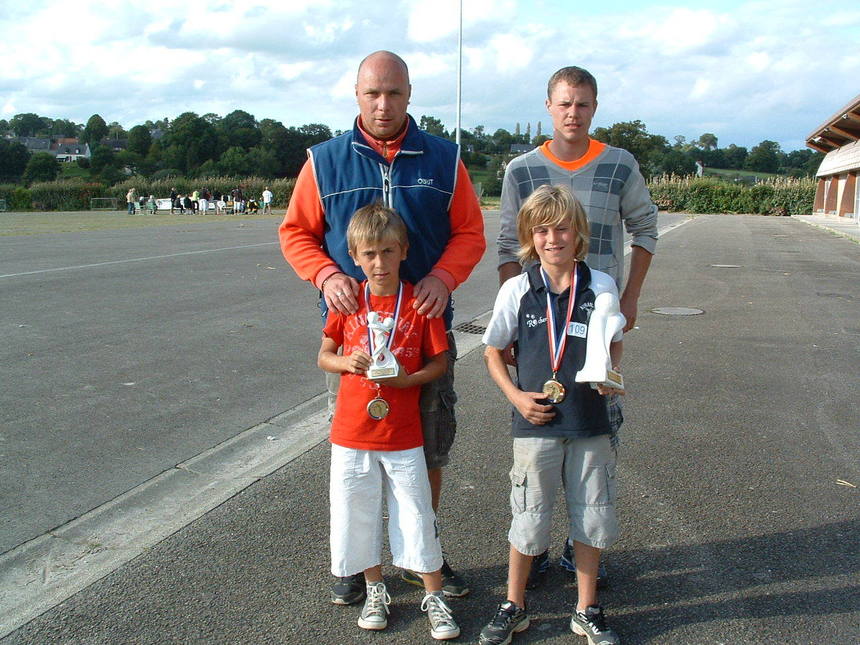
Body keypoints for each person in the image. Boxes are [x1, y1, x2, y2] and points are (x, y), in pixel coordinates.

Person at [279, 50, 485, 605]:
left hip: (424, 334)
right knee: (356, 458)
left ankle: (422, 556)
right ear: (356, 94)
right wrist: (324, 275)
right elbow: (296, 232)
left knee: (429, 451)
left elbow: (469, 232)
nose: (383, 104)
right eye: (373, 93)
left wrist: (443, 276)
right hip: (355, 341)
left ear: (410, 94)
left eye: (394, 93)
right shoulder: (323, 161)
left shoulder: (444, 159)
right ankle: (357, 561)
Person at [496, 65, 657, 589]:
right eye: (565, 103)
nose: (573, 112)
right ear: (549, 106)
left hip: (597, 320)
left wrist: (629, 296)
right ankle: (534, 544)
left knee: (598, 424)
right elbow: (506, 247)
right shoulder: (521, 169)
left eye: (583, 104)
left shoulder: (619, 164)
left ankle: (579, 543)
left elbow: (646, 227)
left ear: (594, 107)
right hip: (542, 321)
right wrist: (519, 321)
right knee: (540, 434)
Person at [480, 184, 624, 645]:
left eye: (561, 228)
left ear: (577, 232)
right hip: (535, 423)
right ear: (529, 235)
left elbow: (614, 339)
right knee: (528, 514)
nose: (551, 238)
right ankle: (514, 605)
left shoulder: (599, 284)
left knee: (592, 515)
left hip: (588, 422)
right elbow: (492, 351)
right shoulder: (518, 288)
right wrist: (517, 397)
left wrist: (611, 372)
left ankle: (586, 608)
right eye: (540, 230)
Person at [319, 203, 460, 640]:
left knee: (416, 512)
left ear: (404, 251)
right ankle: (374, 586)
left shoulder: (419, 303)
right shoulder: (347, 300)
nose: (378, 263)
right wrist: (345, 362)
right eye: (368, 254)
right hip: (351, 432)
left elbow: (439, 361)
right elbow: (323, 355)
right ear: (355, 257)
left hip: (402, 433)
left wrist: (407, 379)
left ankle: (433, 594)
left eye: (387, 251)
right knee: (355, 510)